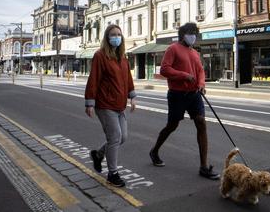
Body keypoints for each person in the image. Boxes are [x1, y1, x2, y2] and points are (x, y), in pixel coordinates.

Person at [149, 22, 220, 180]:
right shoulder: (173, 49)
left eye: (195, 33)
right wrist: (184, 75)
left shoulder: (194, 52)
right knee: (172, 125)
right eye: (190, 32)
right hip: (177, 94)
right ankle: (154, 151)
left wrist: (201, 84)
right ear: (183, 35)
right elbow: (164, 69)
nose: (193, 36)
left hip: (194, 94)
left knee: (201, 122)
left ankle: (204, 166)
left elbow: (201, 71)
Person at [84, 24, 137, 187]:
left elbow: (127, 79)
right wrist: (90, 102)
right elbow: (93, 79)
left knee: (123, 137)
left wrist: (132, 96)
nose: (117, 37)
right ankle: (112, 174)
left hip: (119, 105)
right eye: (113, 35)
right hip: (105, 104)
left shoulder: (123, 58)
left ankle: (99, 155)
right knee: (114, 138)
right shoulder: (100, 56)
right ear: (107, 38)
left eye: (119, 35)